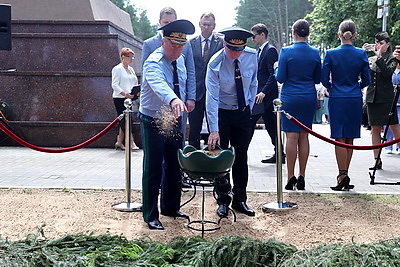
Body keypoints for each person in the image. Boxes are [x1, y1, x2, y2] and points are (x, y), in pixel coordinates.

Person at [139, 19, 195, 230]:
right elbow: (159, 84)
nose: (177, 50)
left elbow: (185, 80)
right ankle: (150, 214)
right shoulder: (153, 62)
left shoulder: (179, 60)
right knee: (153, 167)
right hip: (154, 118)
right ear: (163, 42)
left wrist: (183, 101)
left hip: (174, 117)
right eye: (173, 45)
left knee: (174, 164)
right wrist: (173, 100)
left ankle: (171, 207)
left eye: (181, 46)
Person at [206, 27, 258, 217]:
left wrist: (249, 106)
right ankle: (222, 200)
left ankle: (240, 199)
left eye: (239, 50)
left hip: (242, 112)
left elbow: (253, 82)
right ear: (224, 44)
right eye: (231, 49)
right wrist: (214, 129)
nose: (235, 54)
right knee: (222, 158)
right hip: (222, 113)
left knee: (241, 155)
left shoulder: (252, 56)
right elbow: (211, 98)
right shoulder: (215, 63)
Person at [321, 19, 370, 191]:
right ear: (355, 35)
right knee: (349, 137)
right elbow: (367, 80)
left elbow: (323, 78)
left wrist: (332, 88)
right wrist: (356, 87)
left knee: (339, 137)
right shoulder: (361, 54)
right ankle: (345, 174)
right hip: (354, 97)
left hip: (337, 97)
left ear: (339, 35)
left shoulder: (331, 54)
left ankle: (341, 175)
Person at [275, 19, 321, 191]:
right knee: (304, 137)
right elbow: (317, 78)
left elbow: (280, 78)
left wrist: (275, 69)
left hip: (290, 96)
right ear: (308, 33)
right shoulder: (315, 53)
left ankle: (290, 177)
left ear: (293, 32)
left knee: (291, 137)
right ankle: (302, 176)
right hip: (308, 95)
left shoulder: (286, 51)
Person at [363, 32, 400, 170]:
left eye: (381, 43)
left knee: (394, 127)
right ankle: (376, 159)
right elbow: (364, 74)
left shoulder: (392, 59)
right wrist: (363, 53)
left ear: (388, 44)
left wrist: (379, 57)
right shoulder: (371, 58)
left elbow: (387, 73)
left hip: (386, 98)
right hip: (373, 98)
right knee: (375, 129)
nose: (378, 45)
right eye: (376, 43)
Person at [249, 23, 283, 164]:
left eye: (254, 36)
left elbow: (272, 75)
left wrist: (263, 92)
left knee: (269, 125)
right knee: (260, 124)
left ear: (262, 34)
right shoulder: (259, 51)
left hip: (266, 96)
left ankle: (280, 153)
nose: (252, 39)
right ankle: (279, 152)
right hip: (259, 95)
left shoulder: (270, 51)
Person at [188, 12, 223, 149]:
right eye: (204, 24)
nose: (206, 27)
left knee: (214, 129)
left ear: (214, 26)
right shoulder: (191, 43)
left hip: (214, 93)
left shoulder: (221, 43)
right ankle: (193, 160)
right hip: (196, 93)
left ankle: (213, 161)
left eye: (209, 25)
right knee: (194, 130)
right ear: (199, 25)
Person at [111, 47, 139, 150]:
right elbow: (114, 85)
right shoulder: (117, 69)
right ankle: (131, 142)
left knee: (125, 120)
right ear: (123, 57)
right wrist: (124, 93)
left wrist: (136, 92)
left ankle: (119, 141)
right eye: (129, 57)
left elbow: (134, 82)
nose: (131, 59)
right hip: (120, 98)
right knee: (127, 121)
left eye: (133, 57)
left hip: (130, 97)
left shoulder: (131, 69)